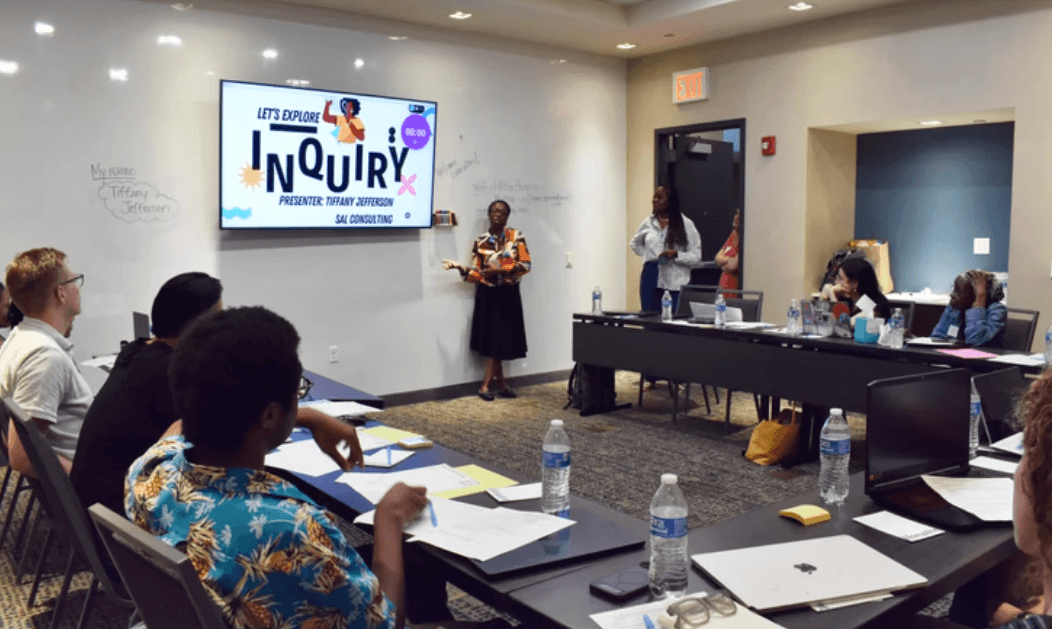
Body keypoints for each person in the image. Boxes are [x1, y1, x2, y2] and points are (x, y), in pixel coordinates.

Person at [126, 306, 422, 629]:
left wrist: (306, 417)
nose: (298, 402)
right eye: (296, 394)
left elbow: (177, 427)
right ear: (268, 415)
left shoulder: (150, 471)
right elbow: (385, 623)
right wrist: (388, 516)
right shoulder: (292, 530)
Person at [72, 272, 367, 517]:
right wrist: (311, 417)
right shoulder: (168, 373)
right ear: (197, 329)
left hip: (107, 515)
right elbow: (235, 423)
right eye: (220, 319)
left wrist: (307, 417)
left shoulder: (139, 353)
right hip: (122, 516)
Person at [0, 247, 91, 474]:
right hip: (93, 493)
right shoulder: (45, 357)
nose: (78, 289)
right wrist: (86, 481)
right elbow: (22, 457)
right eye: (75, 281)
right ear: (61, 293)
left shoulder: (20, 339)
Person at [442, 199, 531, 401]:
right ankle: (501, 384)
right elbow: (478, 273)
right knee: (494, 341)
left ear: (507, 215)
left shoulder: (516, 237)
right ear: (489, 215)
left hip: (509, 294)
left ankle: (486, 386)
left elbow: (525, 265)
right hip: (488, 294)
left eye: (501, 211)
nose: (497, 213)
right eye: (493, 210)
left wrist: (501, 270)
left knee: (502, 340)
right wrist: (461, 268)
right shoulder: (481, 241)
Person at [630, 185, 702, 315]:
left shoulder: (686, 224)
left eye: (660, 197)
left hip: (674, 281)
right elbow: (635, 244)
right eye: (654, 197)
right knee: (649, 320)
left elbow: (696, 257)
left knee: (672, 325)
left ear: (671, 201)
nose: (655, 200)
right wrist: (649, 256)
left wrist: (676, 254)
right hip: (650, 277)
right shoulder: (648, 223)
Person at [932, 269, 1007, 347]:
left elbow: (976, 341)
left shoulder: (997, 311)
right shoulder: (954, 308)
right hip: (953, 356)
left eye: (958, 291)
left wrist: (980, 301)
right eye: (953, 289)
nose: (952, 295)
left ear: (975, 295)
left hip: (981, 357)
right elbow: (937, 338)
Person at [824, 256, 892, 320]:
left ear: (854, 283)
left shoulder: (877, 305)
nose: (836, 282)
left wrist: (832, 297)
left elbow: (843, 327)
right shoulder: (845, 298)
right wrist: (824, 298)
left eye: (840, 278)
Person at [715, 209, 741, 294]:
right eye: (736, 214)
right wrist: (726, 262)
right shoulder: (734, 234)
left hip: (733, 292)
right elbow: (717, 258)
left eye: (739, 215)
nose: (735, 218)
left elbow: (732, 265)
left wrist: (723, 264)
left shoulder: (745, 238)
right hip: (723, 293)